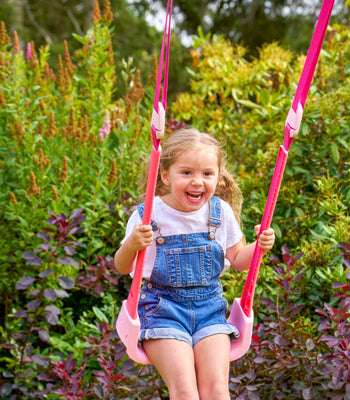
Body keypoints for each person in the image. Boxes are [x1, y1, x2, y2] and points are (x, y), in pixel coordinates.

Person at [115, 128, 275, 400]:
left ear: (217, 176)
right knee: (186, 391)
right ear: (165, 176)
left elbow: (237, 260)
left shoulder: (219, 211)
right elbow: (122, 266)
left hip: (210, 311)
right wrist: (132, 244)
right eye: (186, 172)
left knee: (216, 390)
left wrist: (258, 247)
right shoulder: (147, 215)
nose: (197, 181)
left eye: (207, 174)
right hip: (162, 310)